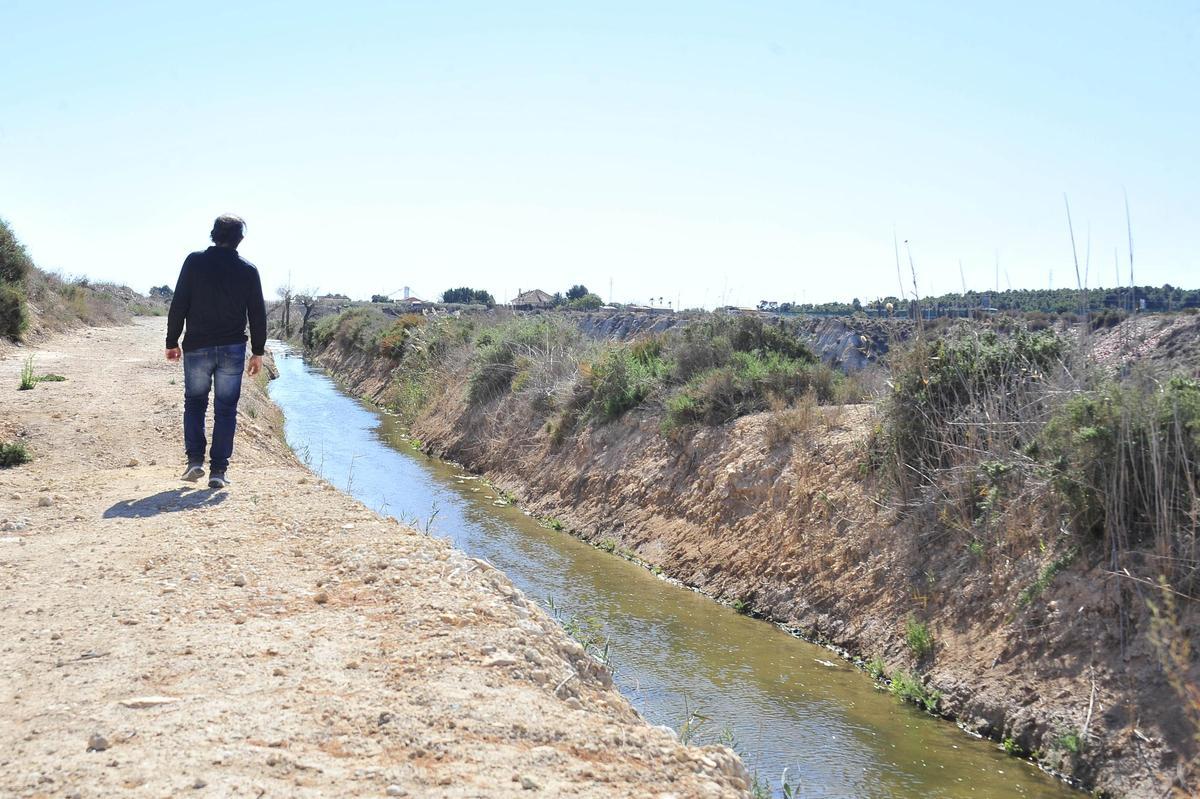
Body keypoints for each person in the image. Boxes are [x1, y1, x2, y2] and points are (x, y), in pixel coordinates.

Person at [165, 215, 267, 489]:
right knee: (226, 410)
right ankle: (218, 471)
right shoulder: (248, 270)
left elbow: (179, 304)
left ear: (212, 234)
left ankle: (195, 461)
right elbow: (257, 313)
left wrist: (171, 341)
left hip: (197, 346)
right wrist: (258, 351)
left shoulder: (194, 262)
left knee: (195, 404)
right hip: (233, 349)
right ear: (240, 239)